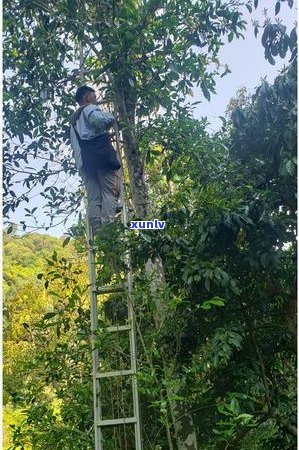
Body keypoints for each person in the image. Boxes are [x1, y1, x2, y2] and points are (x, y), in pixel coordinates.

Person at [69, 86, 121, 233]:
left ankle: (97, 228)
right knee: (109, 192)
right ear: (87, 97)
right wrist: (112, 117)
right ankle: (108, 227)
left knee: (94, 196)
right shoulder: (89, 109)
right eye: (94, 96)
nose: (96, 99)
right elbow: (98, 120)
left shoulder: (73, 121)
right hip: (101, 157)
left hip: (85, 162)